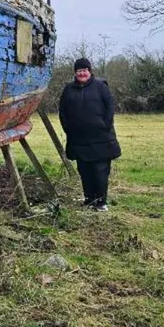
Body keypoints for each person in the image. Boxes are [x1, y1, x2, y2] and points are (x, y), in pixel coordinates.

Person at [58, 57, 121, 211]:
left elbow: (110, 107)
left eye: (85, 70)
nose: (82, 73)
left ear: (90, 71)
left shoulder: (101, 87)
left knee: (100, 171)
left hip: (101, 139)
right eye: (79, 70)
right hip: (79, 140)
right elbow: (63, 111)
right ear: (75, 72)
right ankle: (89, 199)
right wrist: (69, 128)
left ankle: (101, 202)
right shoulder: (68, 89)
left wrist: (105, 125)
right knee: (85, 171)